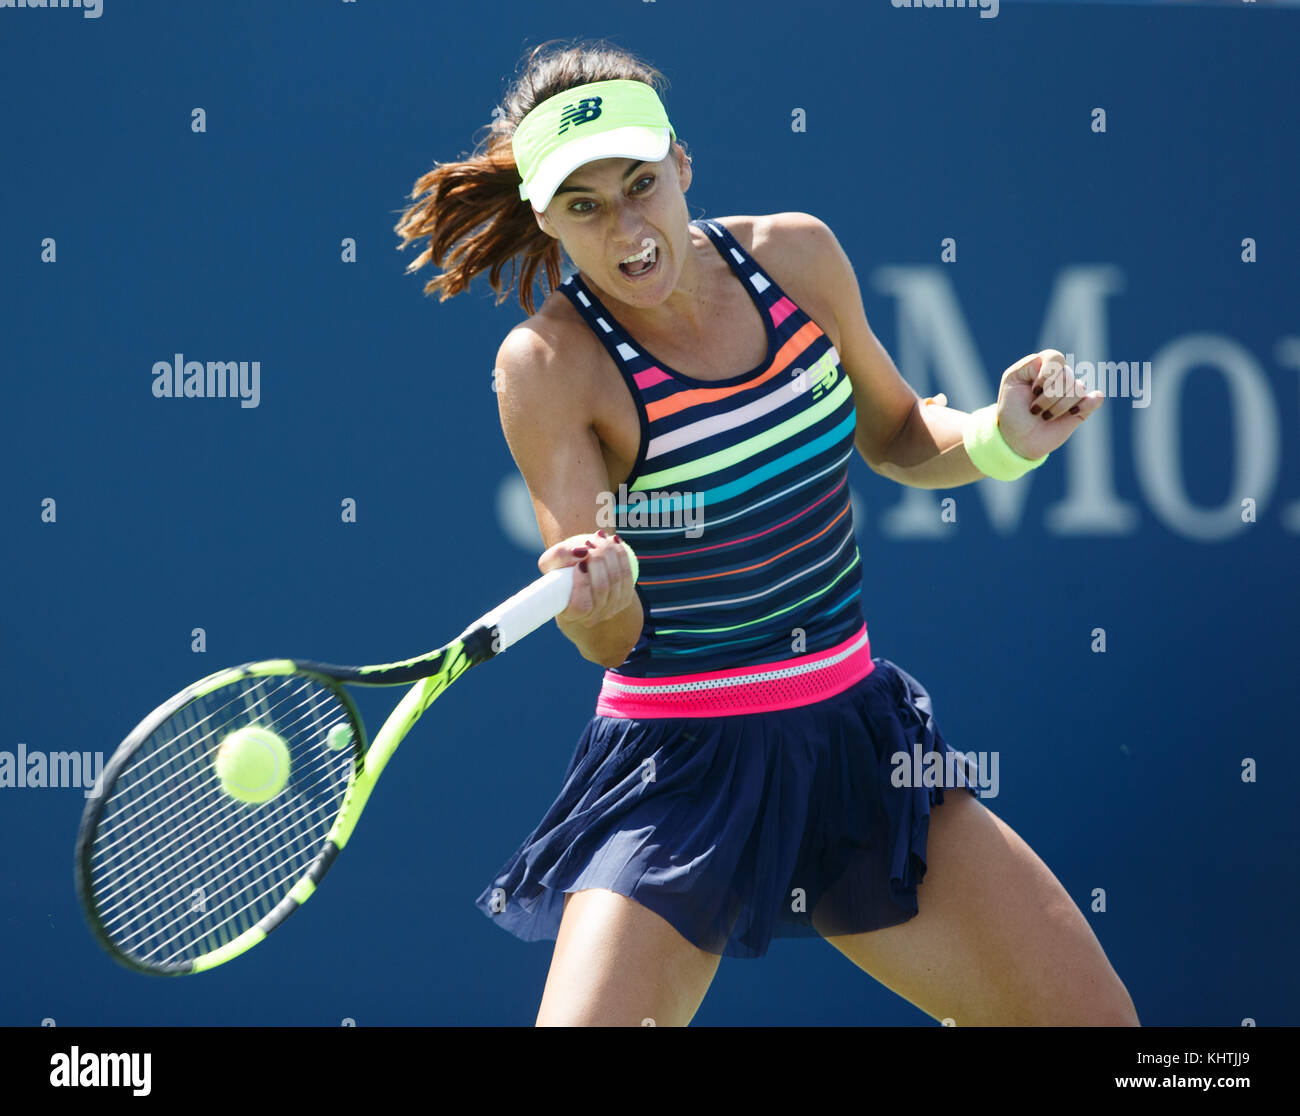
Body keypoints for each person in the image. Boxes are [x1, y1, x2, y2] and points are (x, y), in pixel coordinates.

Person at [394, 38, 1139, 1028]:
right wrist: (603, 598)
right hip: (677, 771)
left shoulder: (795, 257)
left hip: (852, 738)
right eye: (584, 205)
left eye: (640, 184)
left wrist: (1002, 438)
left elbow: (901, 436)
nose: (627, 227)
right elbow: (606, 639)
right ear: (545, 218)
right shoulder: (547, 367)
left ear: (682, 165)